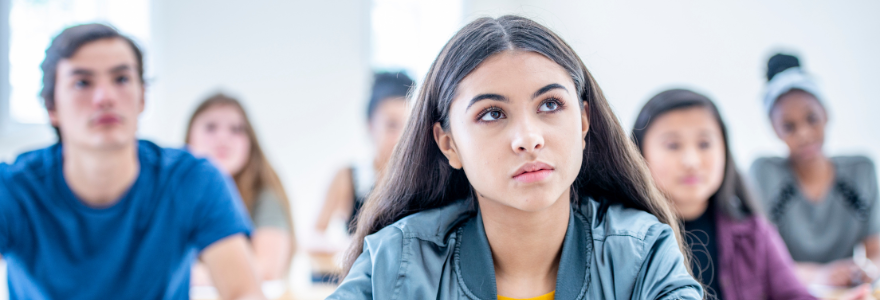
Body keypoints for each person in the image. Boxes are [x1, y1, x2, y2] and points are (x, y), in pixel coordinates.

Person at [328, 16, 701, 299]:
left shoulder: (643, 253)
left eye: (551, 104)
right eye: (492, 113)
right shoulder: (395, 262)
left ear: (584, 122)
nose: (528, 138)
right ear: (448, 144)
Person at [0, 24, 265, 300]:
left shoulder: (192, 179)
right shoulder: (12, 188)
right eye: (82, 83)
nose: (105, 98)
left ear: (143, 97)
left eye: (122, 79)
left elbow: (243, 292)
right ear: (52, 106)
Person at [632, 89, 820, 299]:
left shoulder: (754, 233)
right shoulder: (621, 239)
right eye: (673, 145)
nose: (691, 161)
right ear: (638, 152)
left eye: (704, 144)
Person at [750, 54, 880, 287]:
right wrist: (821, 276)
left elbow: (875, 251)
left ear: (826, 114)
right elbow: (758, 259)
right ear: (775, 129)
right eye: (789, 126)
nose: (804, 134)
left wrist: (868, 269)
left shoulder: (861, 171)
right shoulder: (764, 174)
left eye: (812, 119)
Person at [186, 93, 296, 283]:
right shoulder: (173, 193)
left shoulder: (265, 195)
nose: (222, 138)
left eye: (236, 129)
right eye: (210, 127)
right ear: (189, 138)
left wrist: (185, 274)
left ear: (250, 142)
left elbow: (268, 270)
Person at [314, 71, 414, 235]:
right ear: (370, 125)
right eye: (391, 125)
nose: (401, 137)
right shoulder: (347, 177)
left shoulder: (420, 181)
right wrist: (348, 249)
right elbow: (313, 236)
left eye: (408, 126)